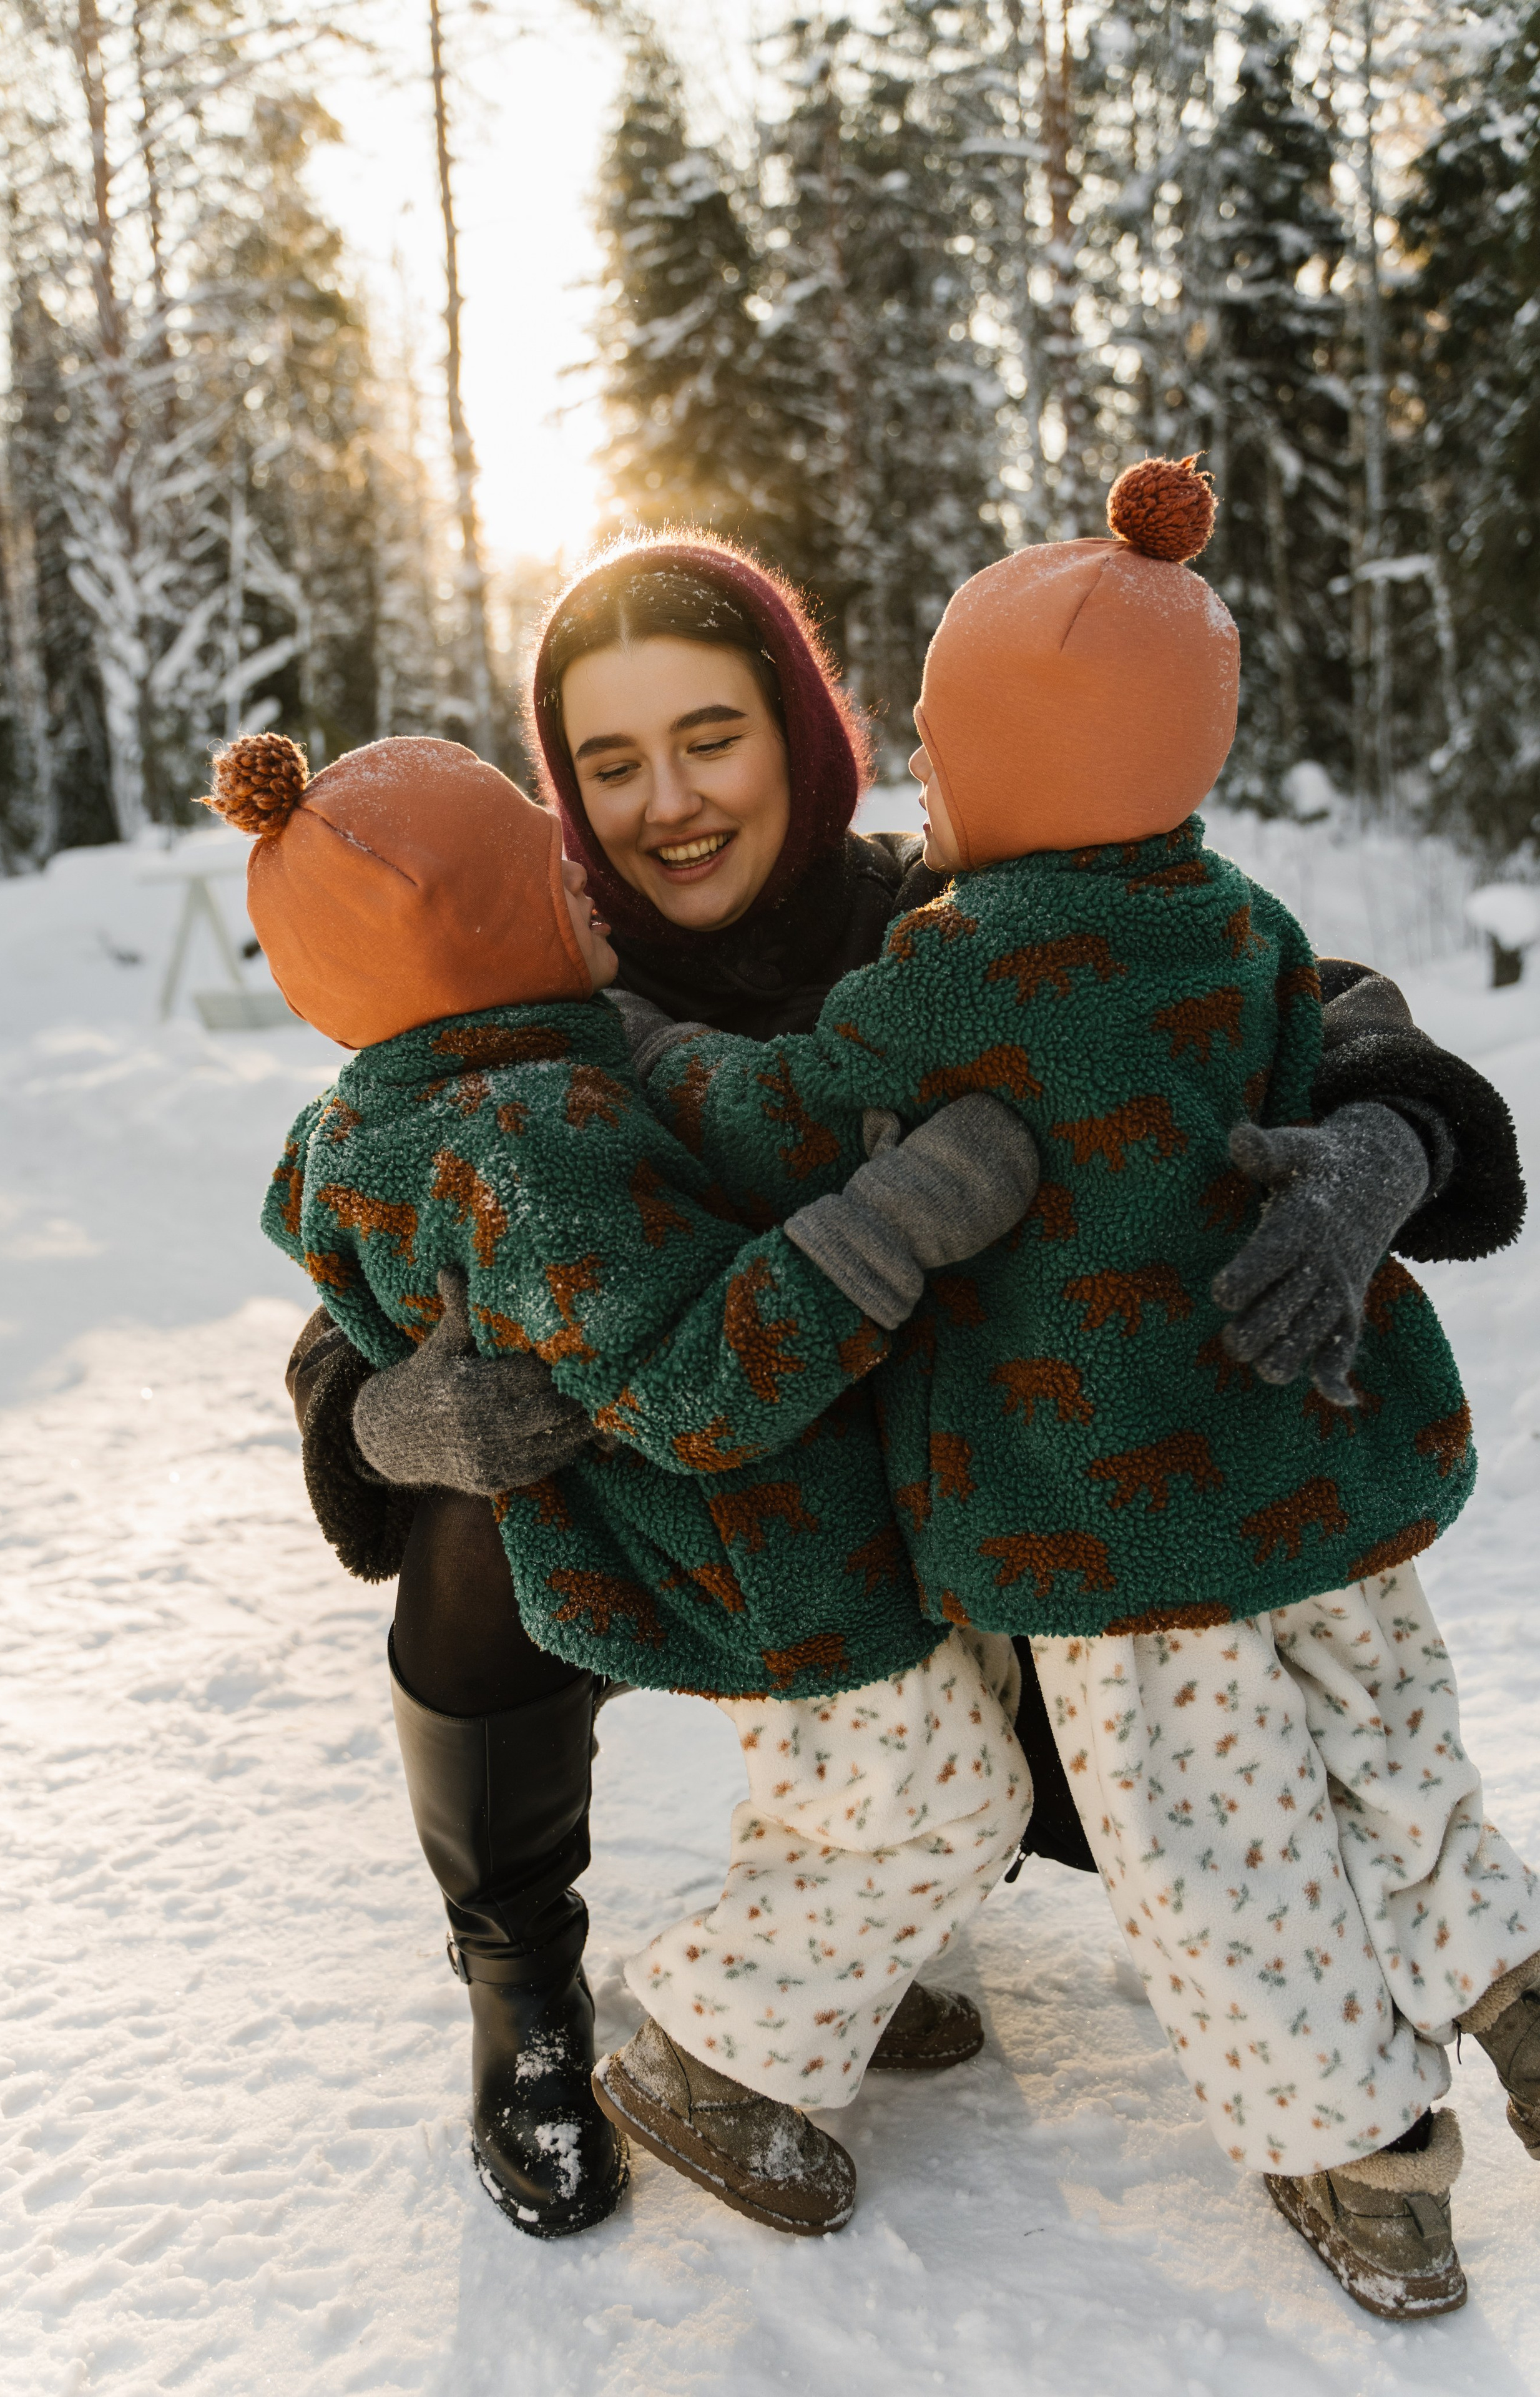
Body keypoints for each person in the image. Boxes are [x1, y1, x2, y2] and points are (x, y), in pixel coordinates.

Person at [283, 526, 1527, 2252]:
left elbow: (1260, 986)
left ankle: (888, 1948)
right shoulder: (526, 992)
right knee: (472, 1507)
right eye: (611, 764)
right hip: (709, 1512)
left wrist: (1392, 1130)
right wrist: (377, 1414)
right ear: (561, 796)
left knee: (1201, 1742)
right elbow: (382, 1248)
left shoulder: (944, 894)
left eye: (709, 737)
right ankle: (524, 1990)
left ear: (802, 734)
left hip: (992, 1524)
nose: (668, 802)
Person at [624, 458, 1539, 2321]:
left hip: (1113, 1524)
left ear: (1013, 759)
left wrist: (633, 1048)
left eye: (943, 735)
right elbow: (1337, 1021)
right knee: (1391, 1742)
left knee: (1218, 1843)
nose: (921, 771)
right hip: (1313, 1457)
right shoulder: (1240, 919)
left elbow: (788, 1106)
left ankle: (1368, 2161)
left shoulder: (952, 969)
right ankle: (1509, 1975)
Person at [212, 727, 1039, 2238]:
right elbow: (687, 1385)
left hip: (832, 1498)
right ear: (490, 920)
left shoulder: (390, 1105)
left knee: (888, 1777)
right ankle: (676, 2035)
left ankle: (826, 1977)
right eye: (582, 799)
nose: (632, 827)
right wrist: (886, 1226)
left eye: (709, 735)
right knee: (948, 1796)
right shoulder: (537, 1116)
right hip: (754, 1543)